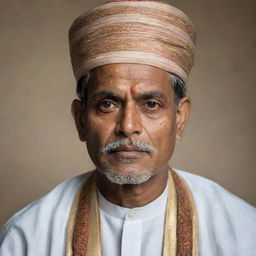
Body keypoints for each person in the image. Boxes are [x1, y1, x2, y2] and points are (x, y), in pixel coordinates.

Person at [0, 0, 255, 255]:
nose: (128, 126)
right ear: (80, 119)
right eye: (108, 104)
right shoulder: (28, 236)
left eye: (151, 104)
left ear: (180, 117)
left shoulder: (242, 232)